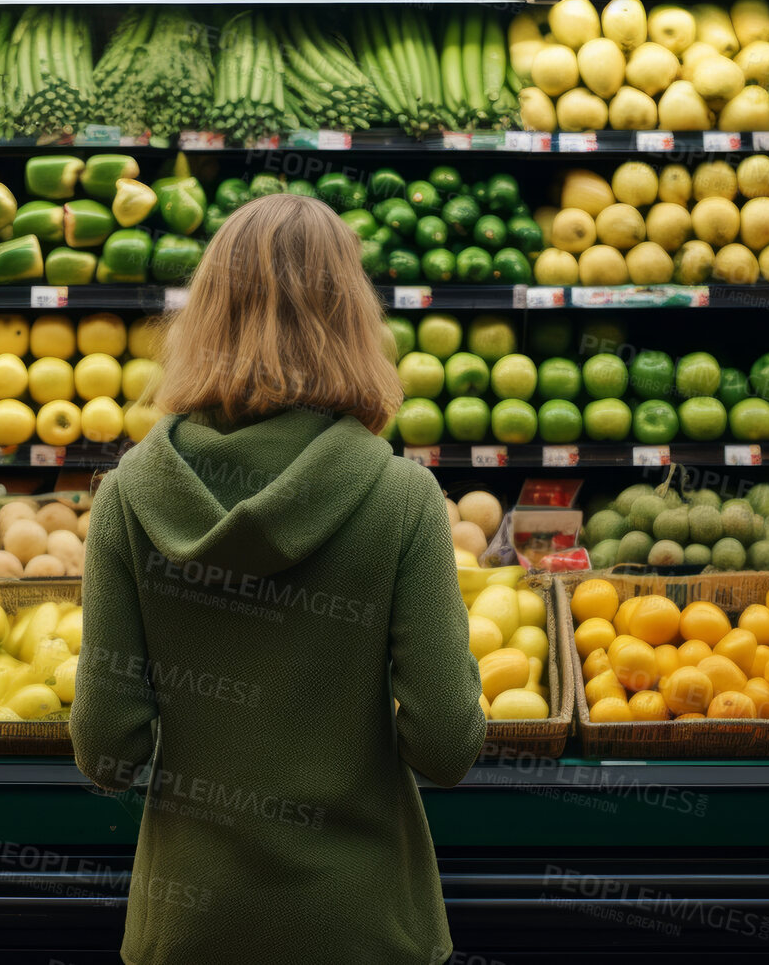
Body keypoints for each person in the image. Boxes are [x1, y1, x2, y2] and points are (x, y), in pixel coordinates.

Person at [71, 192, 487, 965]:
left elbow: (105, 750)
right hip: (365, 924)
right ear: (353, 319)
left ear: (206, 316)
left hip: (190, 926)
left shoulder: (129, 495)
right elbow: (446, 743)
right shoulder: (399, 497)